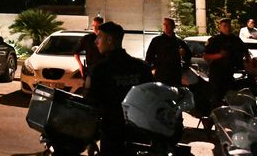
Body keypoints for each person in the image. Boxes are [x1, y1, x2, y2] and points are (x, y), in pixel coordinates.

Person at [86, 21, 152, 156]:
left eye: (99, 37)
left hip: (112, 134)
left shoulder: (100, 70)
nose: (96, 41)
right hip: (140, 134)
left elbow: (91, 105)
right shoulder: (142, 68)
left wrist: (90, 139)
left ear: (109, 40)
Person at [203, 18, 250, 108]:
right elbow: (205, 56)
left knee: (232, 100)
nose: (227, 28)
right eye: (224, 26)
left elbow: (245, 51)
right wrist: (220, 55)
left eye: (229, 26)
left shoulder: (236, 40)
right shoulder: (214, 40)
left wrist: (249, 61)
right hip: (217, 75)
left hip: (231, 74)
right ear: (220, 27)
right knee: (216, 100)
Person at [145, 18, 191, 86]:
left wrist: (184, 55)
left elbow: (188, 57)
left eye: (168, 24)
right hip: (161, 74)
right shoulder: (157, 40)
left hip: (175, 75)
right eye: (164, 24)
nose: (166, 27)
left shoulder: (179, 42)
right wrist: (154, 68)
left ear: (173, 26)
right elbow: (149, 57)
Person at [74, 16, 104, 80]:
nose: (95, 28)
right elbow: (76, 52)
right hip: (90, 72)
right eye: (93, 26)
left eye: (97, 26)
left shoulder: (106, 39)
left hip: (103, 72)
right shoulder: (87, 38)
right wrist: (81, 66)